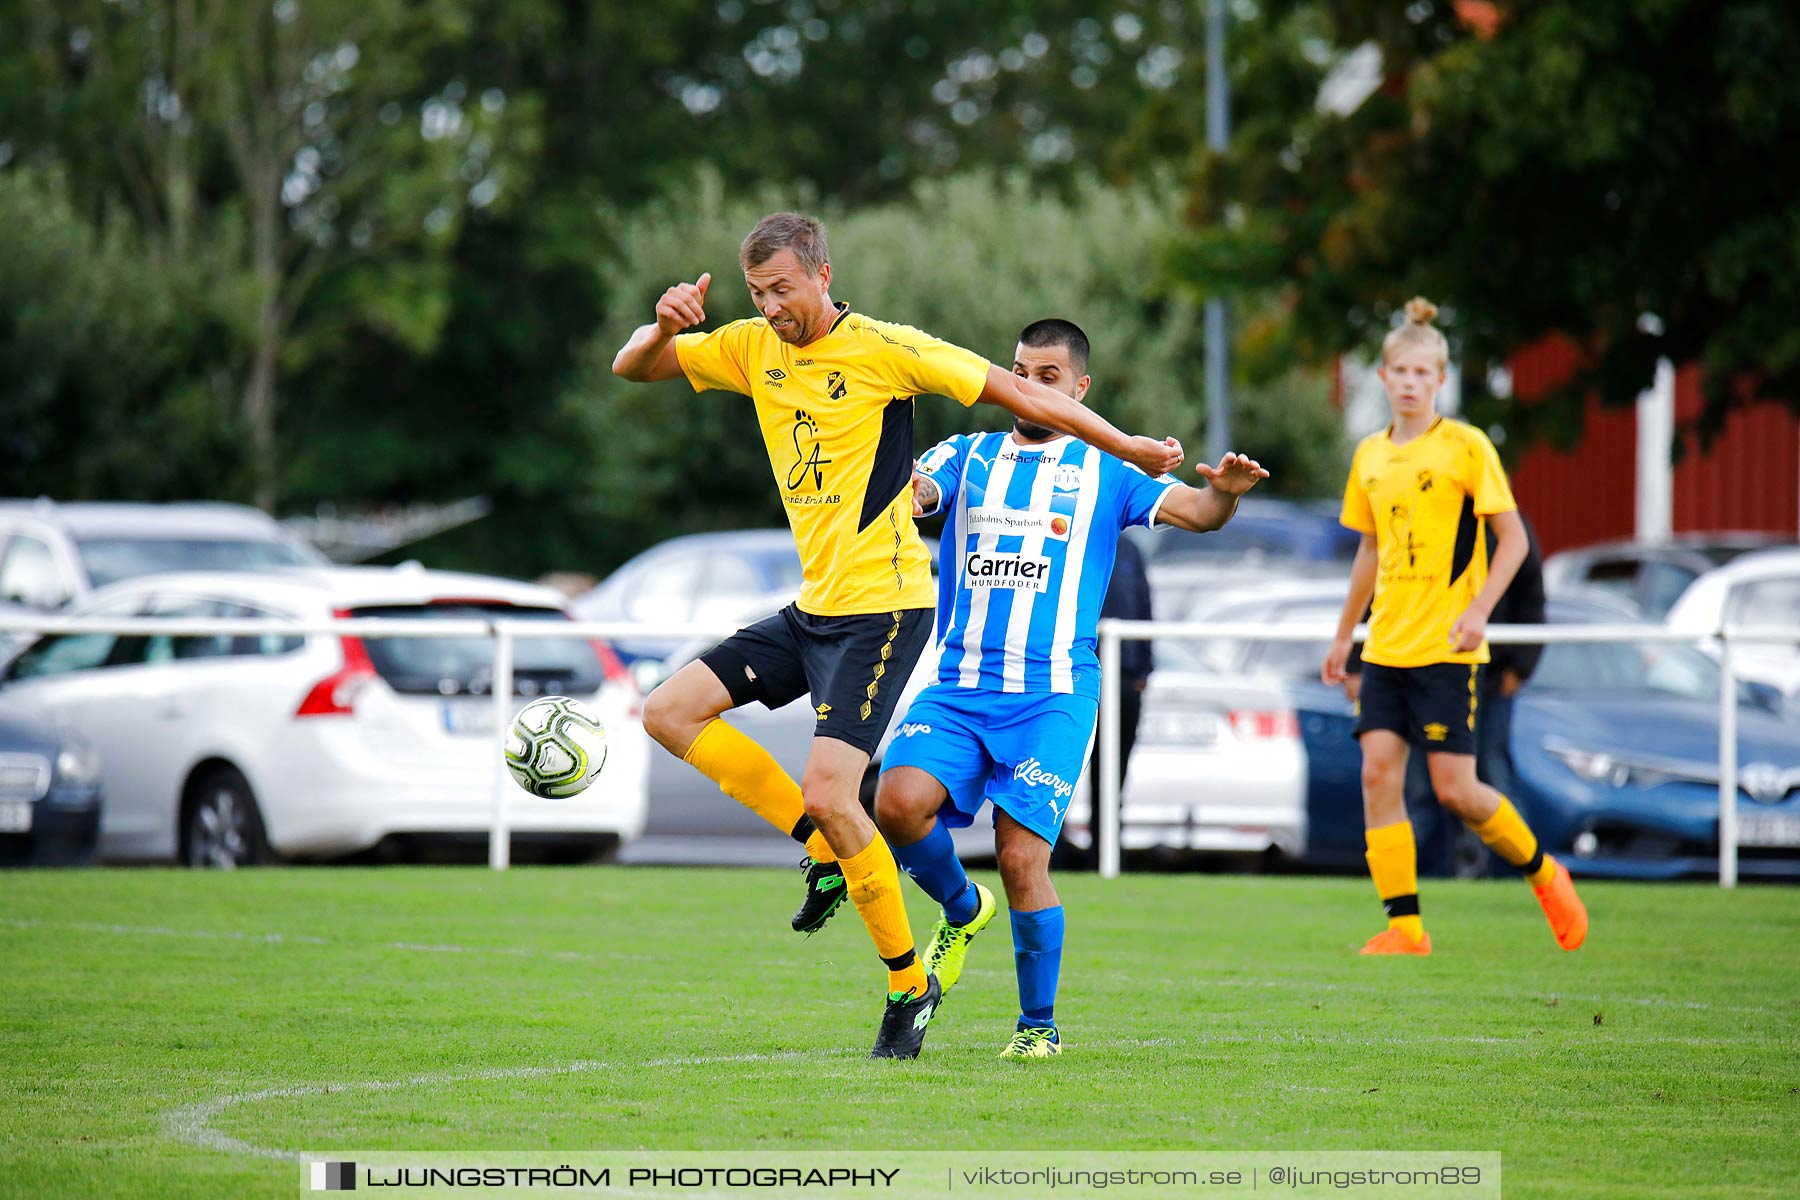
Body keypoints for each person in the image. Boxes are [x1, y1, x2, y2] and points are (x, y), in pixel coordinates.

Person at [610, 214, 1185, 1058]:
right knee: (668, 712)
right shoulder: (748, 347)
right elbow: (635, 367)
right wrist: (661, 325)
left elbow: (1020, 393)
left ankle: (908, 987)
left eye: (783, 289)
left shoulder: (887, 347)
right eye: (757, 292)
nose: (771, 307)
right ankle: (825, 854)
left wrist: (1125, 441)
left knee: (838, 794)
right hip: (816, 605)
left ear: (823, 276)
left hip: (886, 605)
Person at [873, 318, 1269, 1059]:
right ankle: (962, 908)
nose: (1028, 386)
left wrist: (1229, 494)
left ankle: (1037, 1030)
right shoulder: (968, 453)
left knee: (1022, 857)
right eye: (1019, 371)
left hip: (1052, 692)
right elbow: (920, 494)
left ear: (1080, 388)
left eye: (1047, 376)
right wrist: (906, 476)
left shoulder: (1106, 469)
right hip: (958, 684)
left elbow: (1199, 512)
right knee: (895, 804)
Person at [1320, 298, 1586, 955]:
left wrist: (1477, 611)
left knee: (1457, 791)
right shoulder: (1370, 458)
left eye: (1423, 373)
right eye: (1399, 372)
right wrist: (1343, 637)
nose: (1410, 382)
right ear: (1382, 378)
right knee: (1377, 776)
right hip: (1385, 647)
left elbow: (1515, 541)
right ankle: (1406, 927)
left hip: (1446, 650)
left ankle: (1545, 873)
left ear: (1440, 381)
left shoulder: (1466, 448)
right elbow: (1369, 552)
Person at [1342, 511, 1546, 877]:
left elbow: (1531, 598)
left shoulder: (1488, 497)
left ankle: (1523, 871)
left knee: (1474, 782)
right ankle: (1409, 890)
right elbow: (1382, 587)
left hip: (1479, 671)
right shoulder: (1402, 498)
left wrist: (1519, 665)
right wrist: (1351, 652)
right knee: (1399, 782)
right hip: (1402, 665)